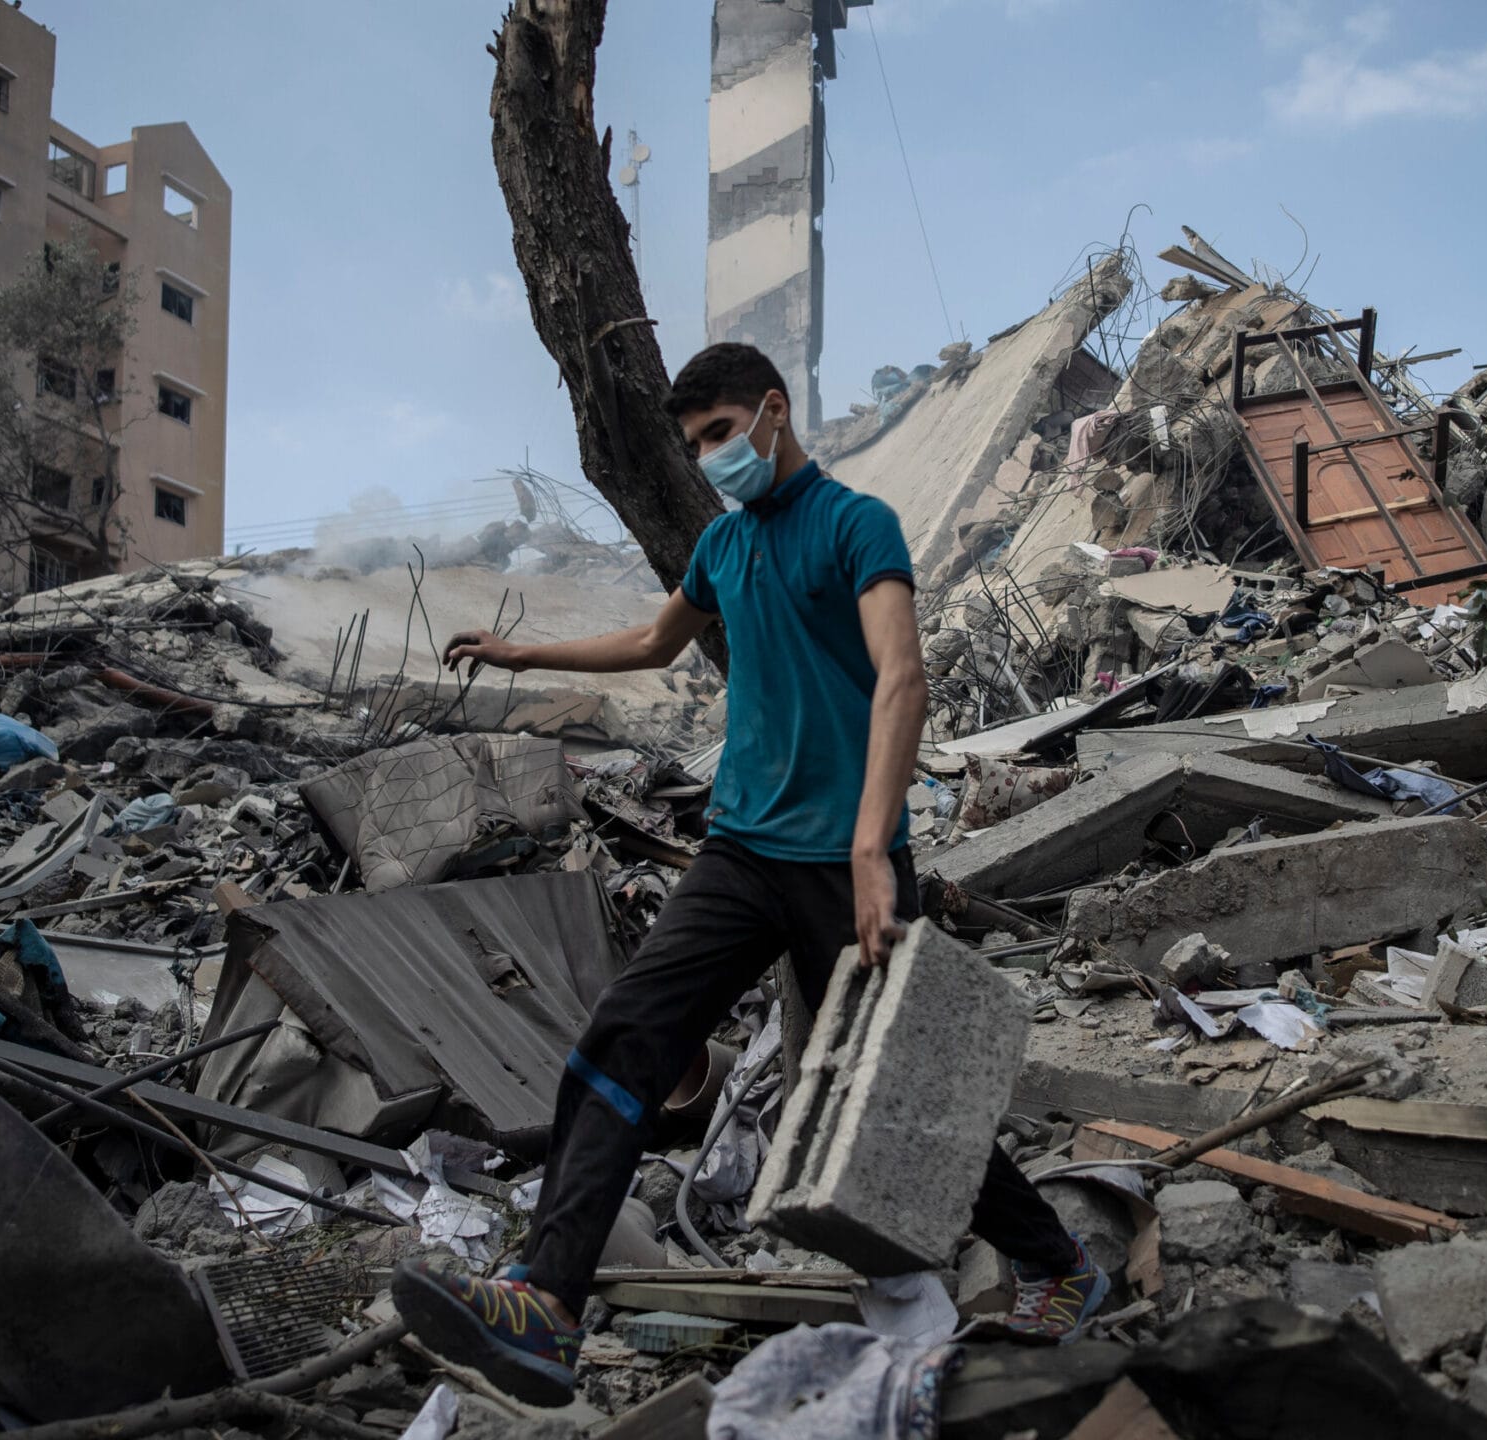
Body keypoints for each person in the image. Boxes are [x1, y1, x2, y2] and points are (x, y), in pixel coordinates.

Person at [390, 343, 1107, 1406]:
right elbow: (652, 642)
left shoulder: (856, 525)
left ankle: (1056, 1263)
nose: (711, 457)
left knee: (893, 1090)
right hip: (740, 851)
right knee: (624, 1037)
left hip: (848, 863)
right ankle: (545, 1304)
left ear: (773, 411)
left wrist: (872, 848)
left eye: (720, 433)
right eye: (695, 446)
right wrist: (520, 654)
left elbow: (902, 679)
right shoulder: (723, 545)